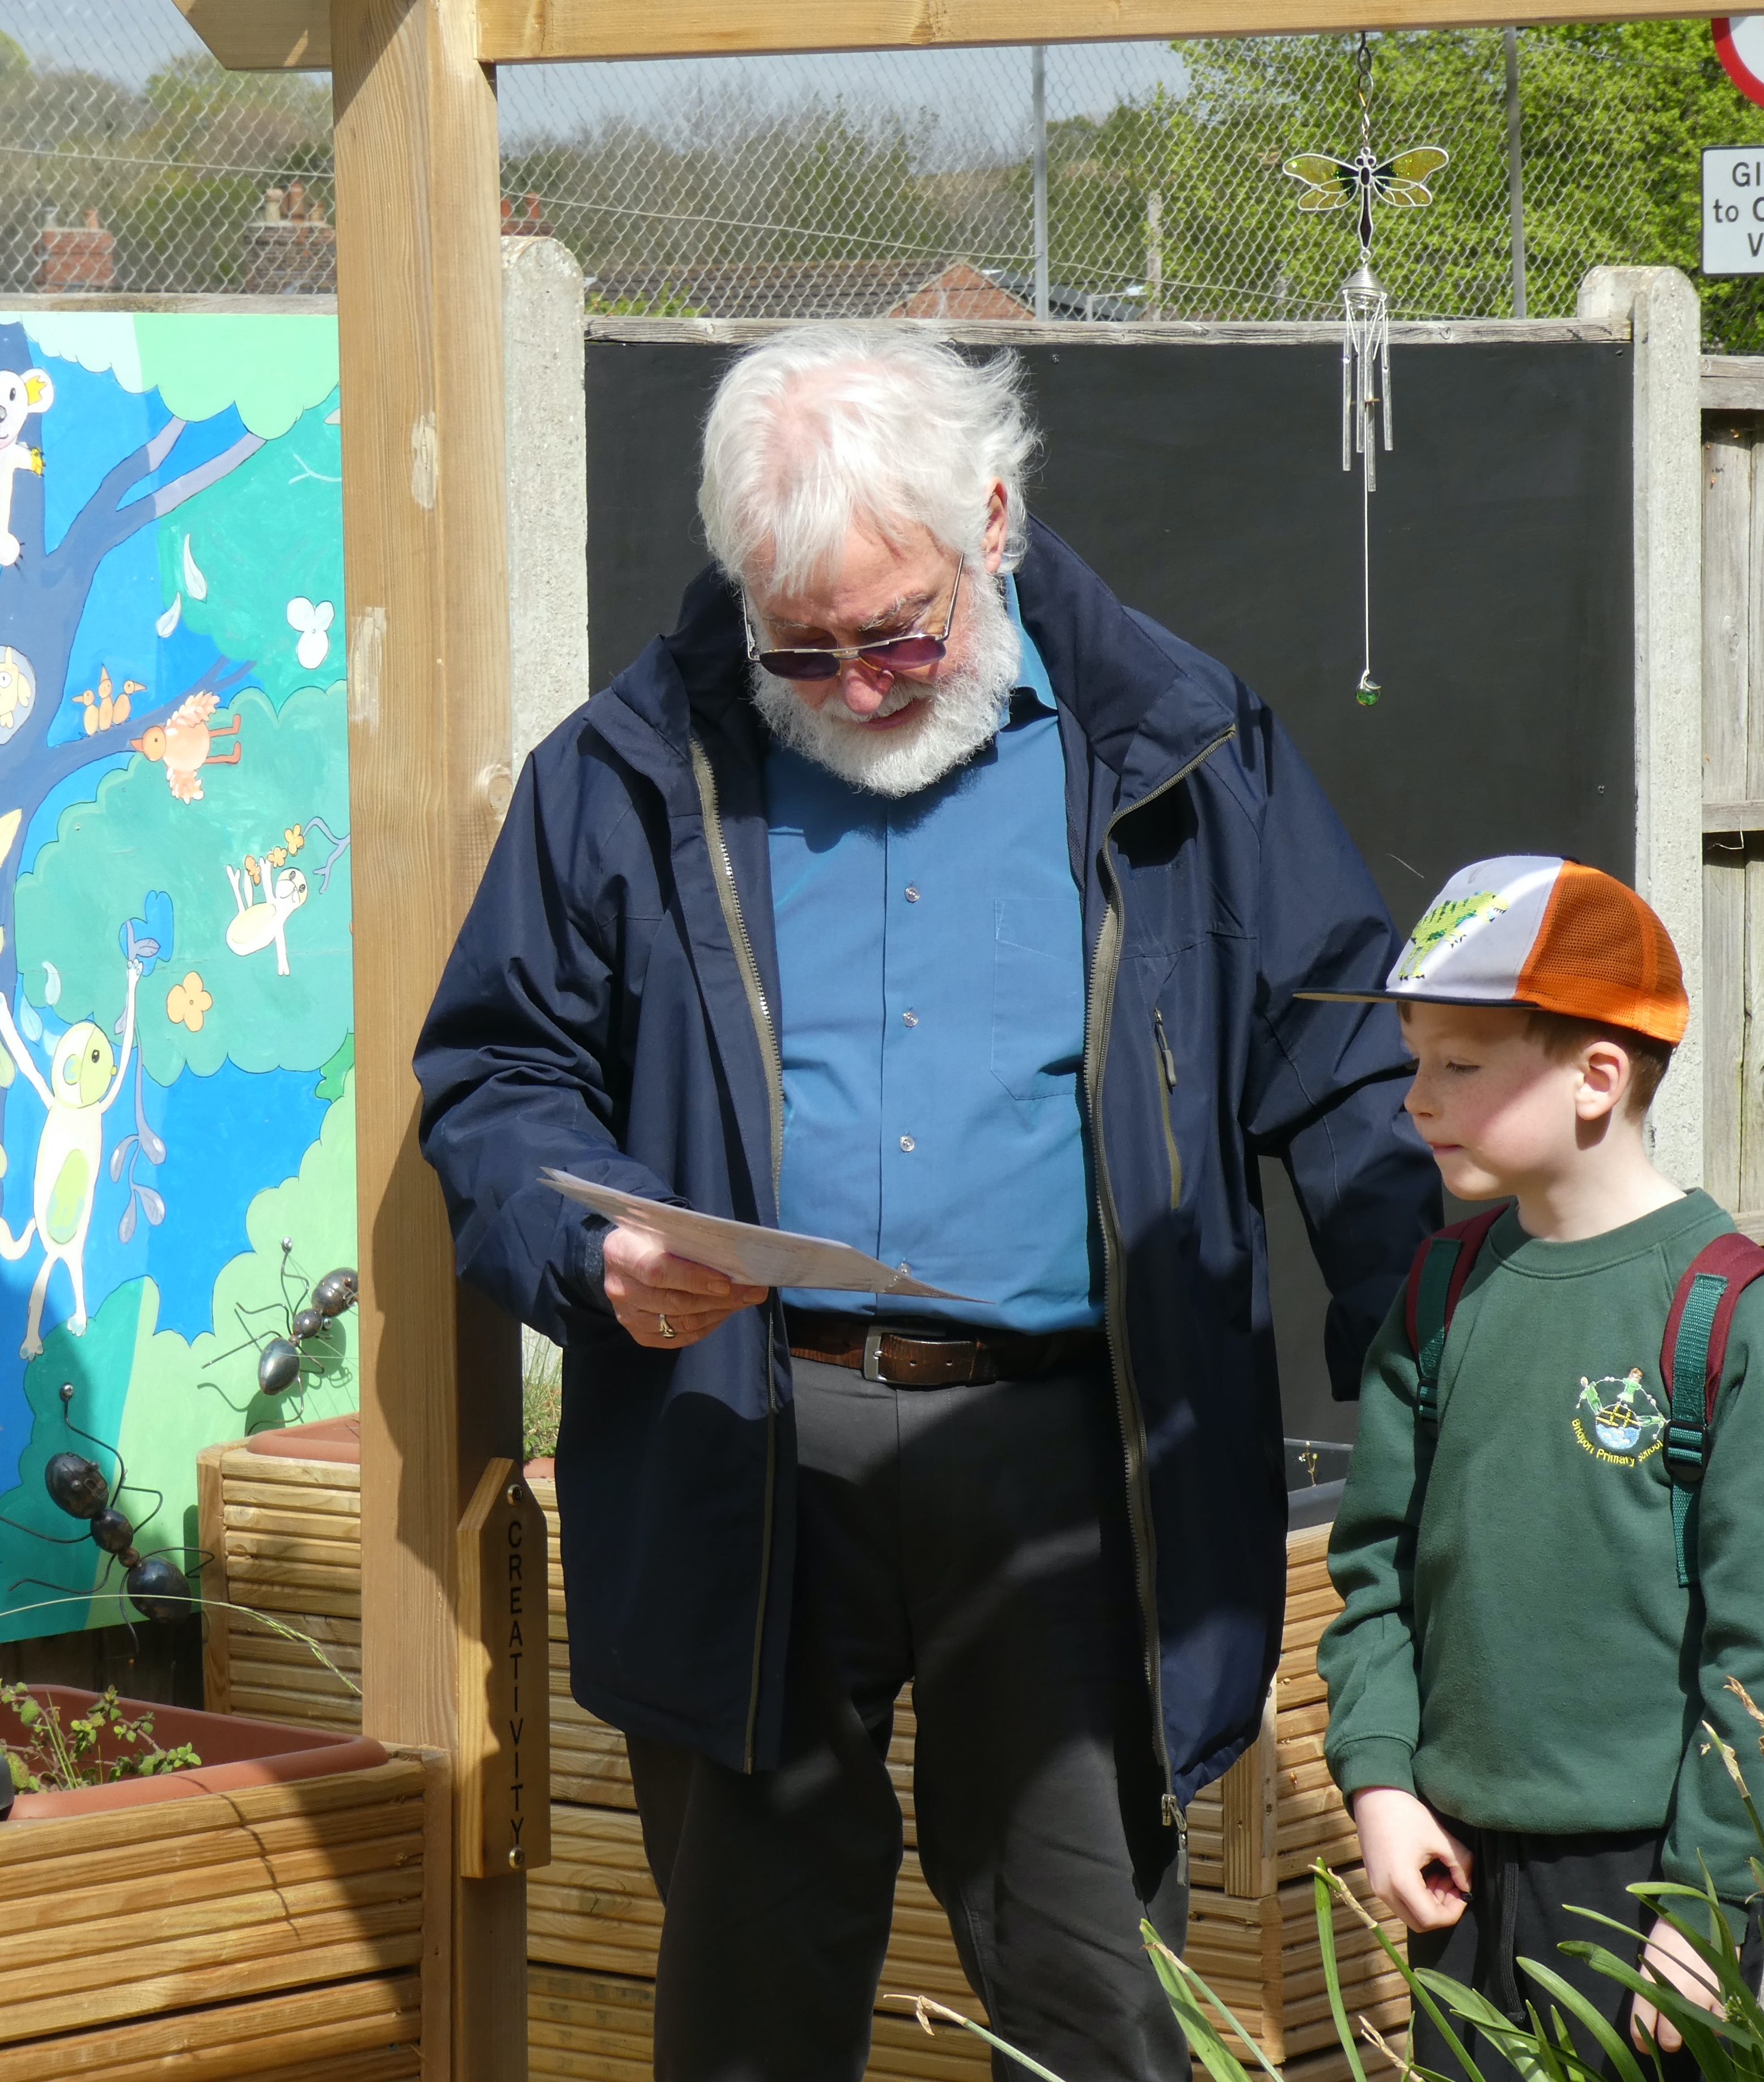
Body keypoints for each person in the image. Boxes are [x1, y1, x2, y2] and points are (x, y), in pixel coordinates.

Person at [415, 324, 1438, 2081]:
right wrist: (594, 1254)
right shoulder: (631, 767)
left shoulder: (1181, 747)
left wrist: (1444, 1368)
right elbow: (499, 1075)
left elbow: (1349, 1072)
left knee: (1093, 1995)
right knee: (752, 1996)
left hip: (1066, 1454)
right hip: (742, 1441)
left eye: (901, 633)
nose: (864, 686)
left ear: (997, 519)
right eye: (803, 650)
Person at [1314, 855, 1764, 2073]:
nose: (1416, 1100)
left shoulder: (1727, 1309)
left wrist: (1710, 1902)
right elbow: (1375, 1571)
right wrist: (1382, 1782)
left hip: (1656, 1879)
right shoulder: (1442, 1289)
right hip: (1457, 1854)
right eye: (1414, 1062)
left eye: (1459, 1064)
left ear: (1598, 1075)